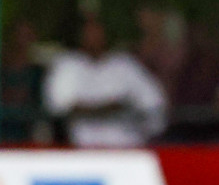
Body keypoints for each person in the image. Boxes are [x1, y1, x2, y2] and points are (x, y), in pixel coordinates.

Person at [43, 12, 166, 147]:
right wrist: (110, 107)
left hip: (127, 147)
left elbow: (153, 102)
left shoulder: (124, 64)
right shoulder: (67, 65)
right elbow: (58, 105)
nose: (93, 37)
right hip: (83, 150)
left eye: (97, 31)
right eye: (88, 32)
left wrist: (121, 107)